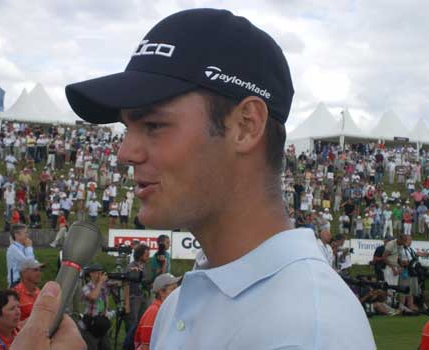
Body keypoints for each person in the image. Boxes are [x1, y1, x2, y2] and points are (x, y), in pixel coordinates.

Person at [64, 8, 375, 349]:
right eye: (127, 128)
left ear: (245, 126)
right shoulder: (175, 308)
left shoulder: (308, 330)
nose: (125, 152)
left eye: (153, 125)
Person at [134, 274, 180, 350]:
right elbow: (146, 346)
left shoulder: (166, 308)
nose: (177, 291)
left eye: (177, 288)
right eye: (173, 289)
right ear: (161, 292)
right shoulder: (154, 311)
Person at [80, 263, 111, 350]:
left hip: (101, 322)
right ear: (91, 274)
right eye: (97, 273)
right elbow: (93, 297)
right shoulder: (86, 287)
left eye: (101, 273)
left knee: (106, 347)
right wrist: (100, 282)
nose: (100, 276)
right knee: (92, 346)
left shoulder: (103, 286)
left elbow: (106, 300)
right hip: (90, 323)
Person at [124, 244, 150, 332]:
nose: (148, 257)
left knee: (142, 321)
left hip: (142, 297)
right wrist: (127, 303)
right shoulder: (131, 267)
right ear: (140, 255)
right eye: (146, 255)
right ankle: (130, 343)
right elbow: (126, 284)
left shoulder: (144, 267)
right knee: (133, 323)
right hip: (133, 298)